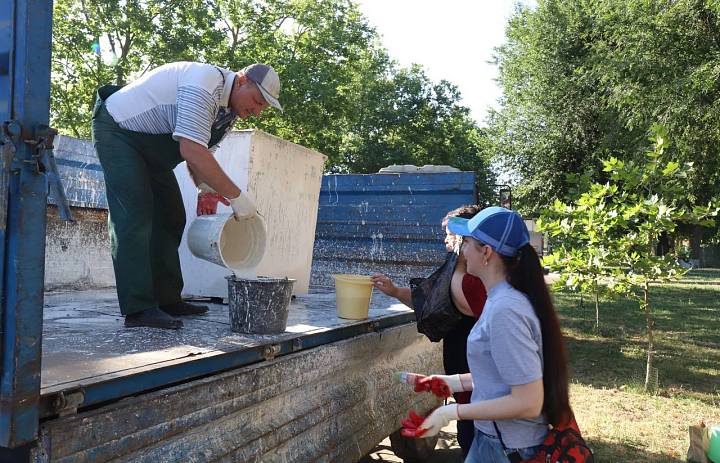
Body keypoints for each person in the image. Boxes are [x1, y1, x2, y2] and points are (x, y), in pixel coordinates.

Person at [91, 61, 282, 329]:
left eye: (264, 107)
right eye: (258, 100)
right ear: (241, 81)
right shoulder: (205, 83)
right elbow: (192, 150)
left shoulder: (227, 114)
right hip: (119, 133)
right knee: (134, 215)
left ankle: (167, 299)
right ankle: (139, 308)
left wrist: (205, 190)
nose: (258, 110)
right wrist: (239, 199)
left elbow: (203, 156)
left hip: (152, 151)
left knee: (171, 216)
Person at [399, 207, 572, 463]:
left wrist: (450, 414)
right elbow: (502, 377)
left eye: (467, 242)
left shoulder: (506, 310)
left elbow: (528, 402)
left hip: (510, 449)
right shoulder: (498, 298)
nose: (462, 250)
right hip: (492, 439)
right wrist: (453, 382)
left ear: (487, 252)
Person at [371, 205, 487, 458]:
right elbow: (434, 303)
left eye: (451, 233)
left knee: (476, 439)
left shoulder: (473, 281)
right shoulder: (457, 271)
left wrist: (449, 408)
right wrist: (394, 291)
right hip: (470, 381)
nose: (445, 239)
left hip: (484, 392)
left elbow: (505, 371)